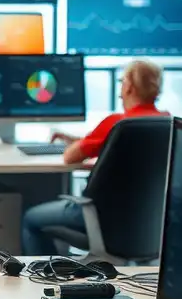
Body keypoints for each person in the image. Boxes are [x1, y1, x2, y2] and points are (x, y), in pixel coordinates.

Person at [21, 59, 167, 256]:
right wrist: (78, 139)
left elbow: (70, 157)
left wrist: (76, 145)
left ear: (130, 87)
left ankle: (45, 277)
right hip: (149, 222)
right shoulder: (167, 122)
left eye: (122, 81)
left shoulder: (117, 123)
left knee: (30, 219)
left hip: (100, 218)